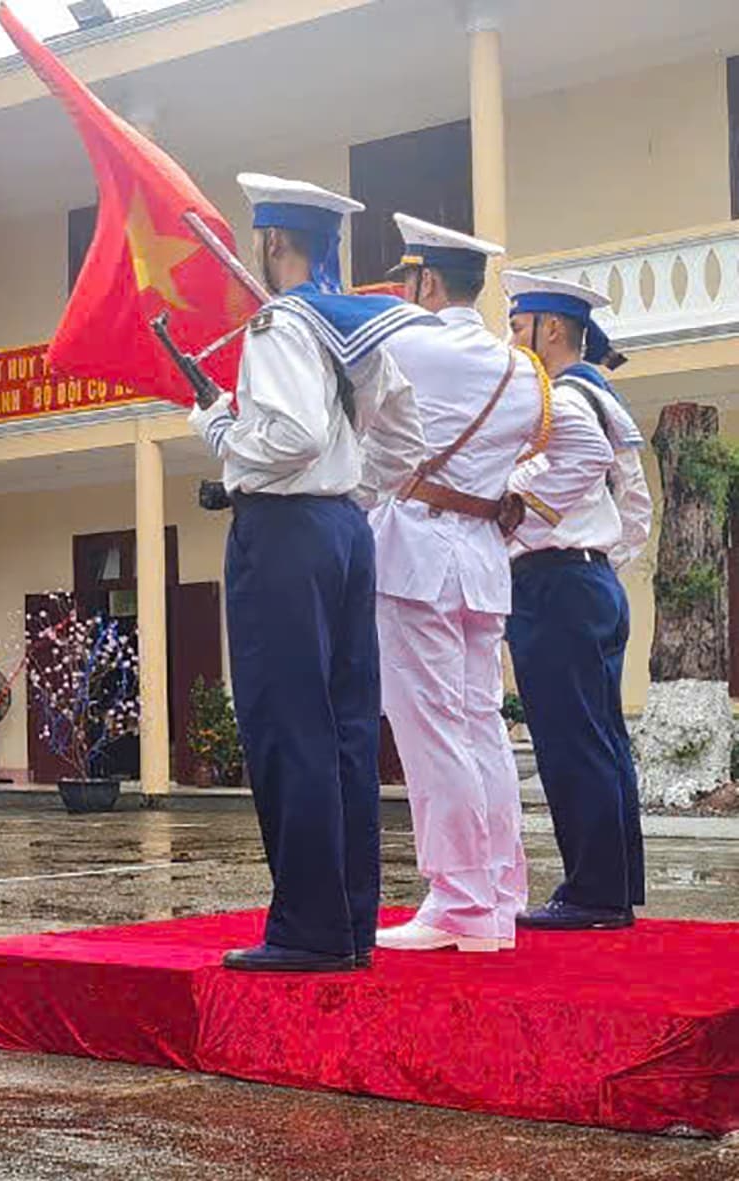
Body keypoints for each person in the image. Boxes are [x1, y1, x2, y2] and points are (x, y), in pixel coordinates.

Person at [184, 174, 430, 973]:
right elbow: (405, 437)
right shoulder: (352, 323)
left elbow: (285, 434)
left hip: (286, 534)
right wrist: (350, 489)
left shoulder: (279, 323)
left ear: (275, 242)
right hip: (343, 532)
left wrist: (223, 428)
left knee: (289, 727)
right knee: (346, 731)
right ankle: (349, 923)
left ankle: (307, 929)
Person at [369, 215, 613, 954]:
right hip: (480, 558)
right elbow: (588, 449)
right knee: (479, 730)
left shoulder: (405, 340)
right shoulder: (520, 368)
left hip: (416, 553)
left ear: (426, 281)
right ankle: (499, 894)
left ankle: (462, 900)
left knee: (435, 732)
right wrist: (514, 504)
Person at [503, 269, 655, 930]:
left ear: (552, 329)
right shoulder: (601, 395)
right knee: (602, 739)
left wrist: (529, 524)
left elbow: (579, 470)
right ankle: (613, 887)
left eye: (517, 325)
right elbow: (638, 507)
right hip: (592, 582)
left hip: (559, 583)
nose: (511, 337)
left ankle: (592, 894)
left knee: (572, 741)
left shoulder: (562, 399)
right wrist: (598, 555)